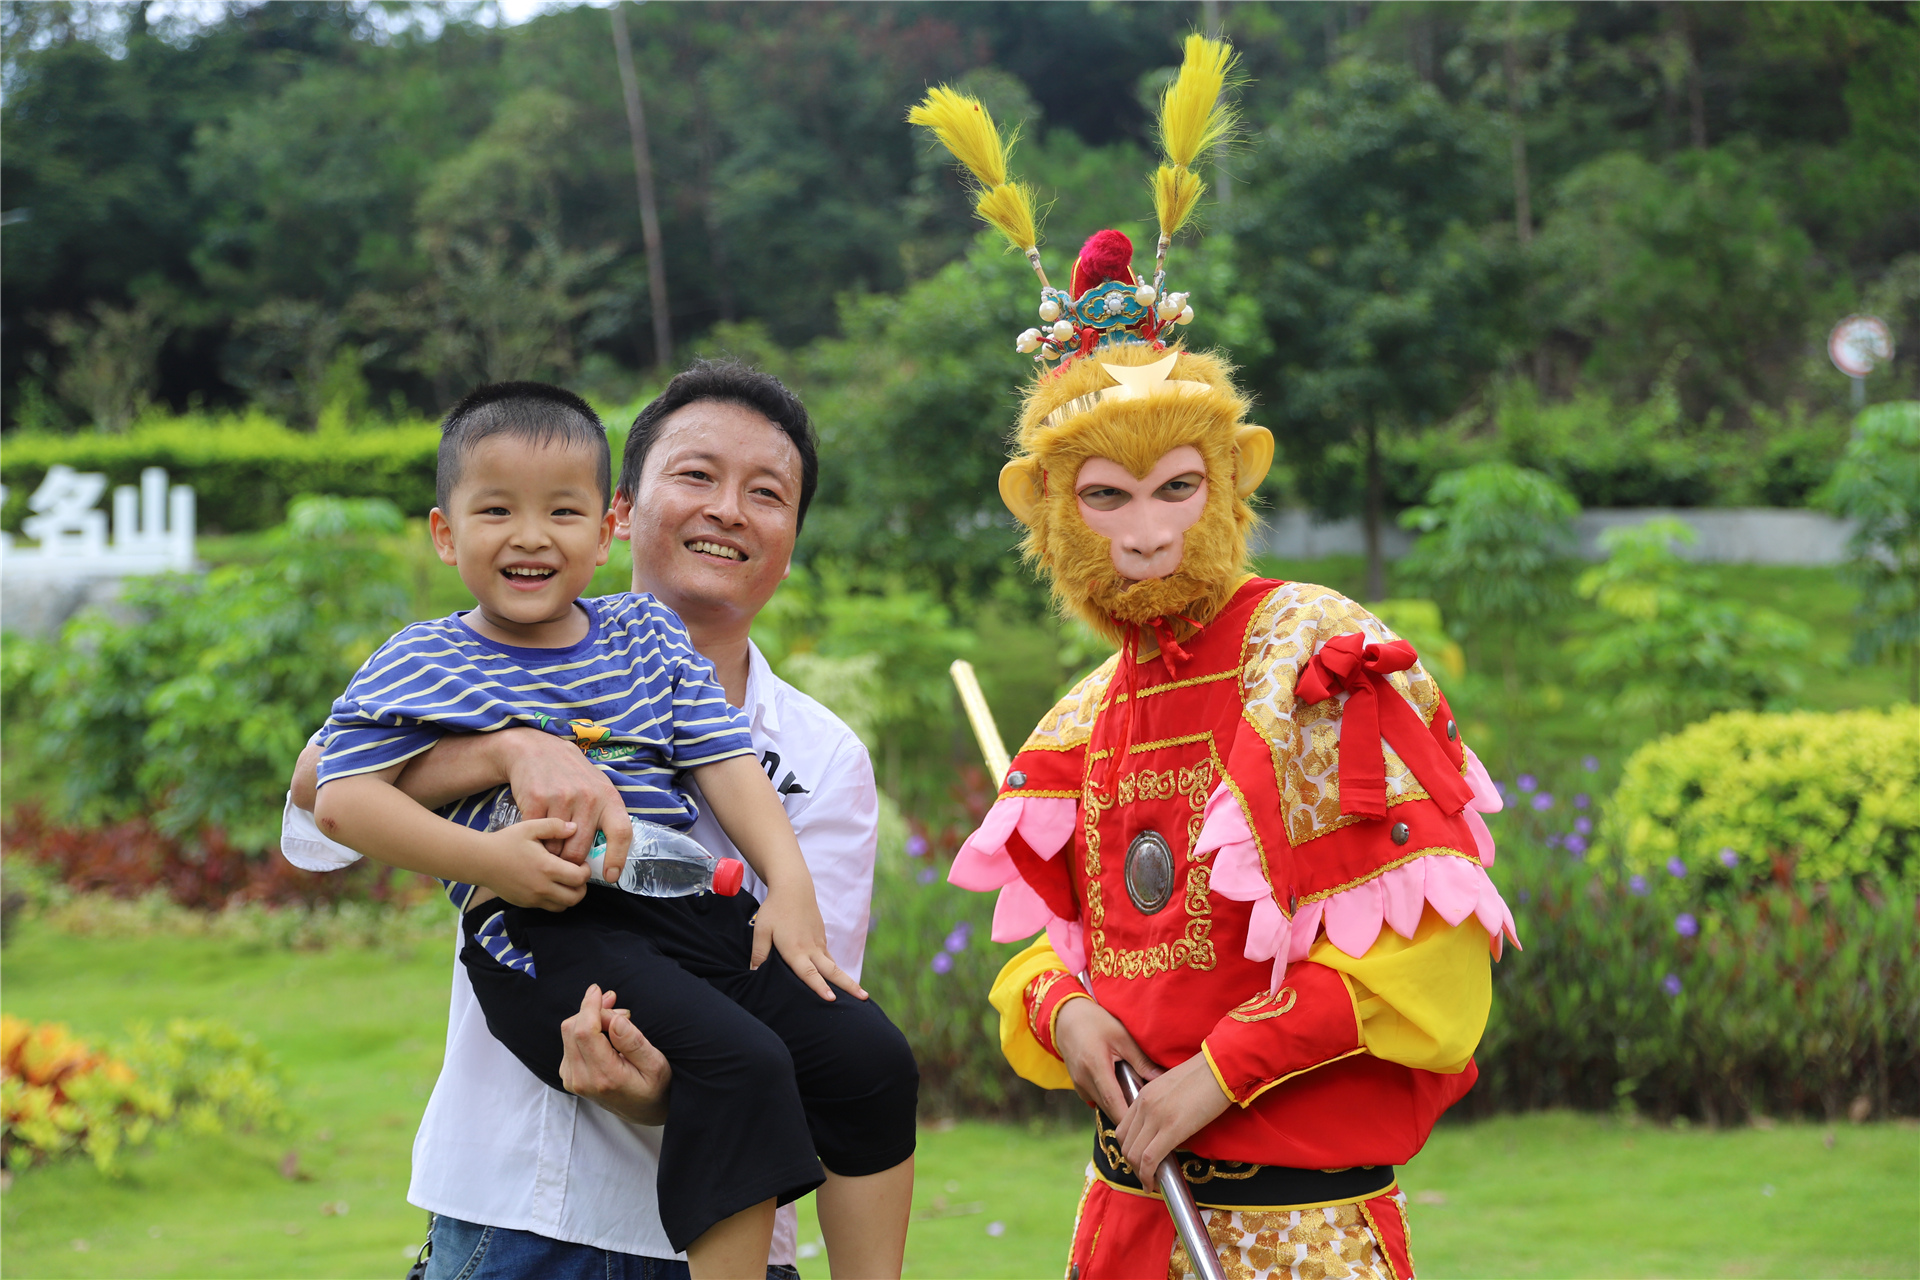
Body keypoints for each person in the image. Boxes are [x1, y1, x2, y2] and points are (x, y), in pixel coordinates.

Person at [915, 43, 1517, 1280]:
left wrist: (1217, 1073)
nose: (1147, 533)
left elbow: (1425, 954)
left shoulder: (1314, 656)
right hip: (1129, 1219)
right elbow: (1055, 945)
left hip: (1297, 1227)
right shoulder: (1081, 719)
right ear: (1050, 511)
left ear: (1235, 476)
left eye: (1179, 488)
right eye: (1108, 497)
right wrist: (1064, 1010)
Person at [284, 365, 913, 1280]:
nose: (728, 511)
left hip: (727, 1206)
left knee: (863, 1054)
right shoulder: (436, 660)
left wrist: (790, 885)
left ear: (598, 520)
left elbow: (806, 999)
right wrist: (504, 763)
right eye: (696, 476)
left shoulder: (810, 748)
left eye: (766, 493)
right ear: (634, 504)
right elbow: (327, 786)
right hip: (522, 1211)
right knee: (738, 1060)